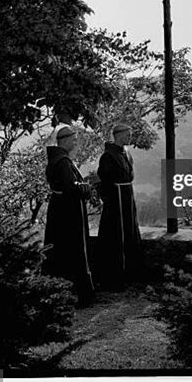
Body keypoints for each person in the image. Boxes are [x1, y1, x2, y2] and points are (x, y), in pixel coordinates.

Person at [42, 125, 95, 307]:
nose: (76, 142)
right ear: (64, 141)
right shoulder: (63, 162)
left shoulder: (57, 159)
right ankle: (77, 294)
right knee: (72, 250)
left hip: (59, 209)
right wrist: (86, 186)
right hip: (68, 212)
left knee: (60, 250)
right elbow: (70, 188)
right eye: (73, 139)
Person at [97, 123, 142, 290]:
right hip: (116, 201)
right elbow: (104, 180)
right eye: (127, 134)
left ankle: (131, 273)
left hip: (127, 196)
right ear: (118, 135)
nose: (130, 137)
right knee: (116, 234)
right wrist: (111, 199)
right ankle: (115, 276)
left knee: (130, 230)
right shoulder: (108, 156)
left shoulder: (126, 153)